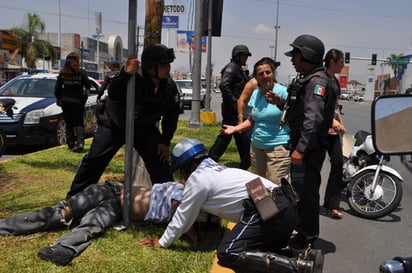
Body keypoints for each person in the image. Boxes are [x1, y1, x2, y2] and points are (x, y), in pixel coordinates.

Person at [140, 138, 324, 273]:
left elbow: (183, 215)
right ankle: (302, 255)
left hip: (273, 208)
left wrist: (162, 242)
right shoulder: (219, 171)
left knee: (228, 252)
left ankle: (300, 268)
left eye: (181, 169)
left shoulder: (199, 179)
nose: (182, 174)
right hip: (284, 203)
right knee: (255, 248)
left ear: (188, 165)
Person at [66, 44, 181, 199]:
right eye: (163, 65)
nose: (167, 68)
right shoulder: (131, 77)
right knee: (94, 160)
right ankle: (73, 200)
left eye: (168, 64)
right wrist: (126, 73)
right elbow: (114, 93)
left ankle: (169, 202)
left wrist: (165, 140)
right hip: (115, 124)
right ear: (150, 67)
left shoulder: (168, 86)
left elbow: (172, 114)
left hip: (144, 128)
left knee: (160, 161)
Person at [0, 180, 194, 266]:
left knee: (92, 225)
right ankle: (5, 226)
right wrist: (192, 233)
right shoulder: (182, 193)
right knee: (63, 214)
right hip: (109, 191)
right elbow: (179, 209)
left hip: (116, 209)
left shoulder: (186, 200)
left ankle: (63, 249)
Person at [282, 34, 337, 249]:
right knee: (302, 191)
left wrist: (300, 150)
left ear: (306, 55)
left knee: (307, 193)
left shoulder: (317, 81)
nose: (292, 59)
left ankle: (307, 236)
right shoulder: (309, 78)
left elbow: (312, 119)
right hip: (305, 148)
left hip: (309, 150)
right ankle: (303, 231)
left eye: (295, 54)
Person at [221, 57, 290, 185]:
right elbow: (253, 119)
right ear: (256, 78)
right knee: (259, 186)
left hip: (277, 148)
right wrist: (235, 128)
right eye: (260, 74)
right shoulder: (256, 93)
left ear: (273, 73)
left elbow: (294, 114)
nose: (265, 76)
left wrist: (280, 101)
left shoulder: (284, 92)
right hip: (257, 147)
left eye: (268, 72)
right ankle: (261, 206)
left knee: (276, 186)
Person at [208, 45, 252, 170]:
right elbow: (224, 85)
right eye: (244, 56)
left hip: (237, 108)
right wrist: (233, 101)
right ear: (237, 56)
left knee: (238, 135)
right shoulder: (231, 68)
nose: (246, 59)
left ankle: (244, 163)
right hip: (231, 109)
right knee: (230, 136)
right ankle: (210, 160)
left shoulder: (239, 69)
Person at [322, 49, 347, 219]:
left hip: (332, 132)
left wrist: (341, 124)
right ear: (332, 61)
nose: (343, 65)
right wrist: (331, 121)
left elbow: (335, 107)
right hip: (317, 131)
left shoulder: (335, 82)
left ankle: (332, 205)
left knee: (338, 163)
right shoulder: (320, 79)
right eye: (341, 62)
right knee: (312, 170)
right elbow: (316, 107)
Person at [54, 52, 92, 152]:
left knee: (69, 123)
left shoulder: (63, 73)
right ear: (77, 61)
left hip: (66, 102)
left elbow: (56, 89)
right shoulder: (81, 73)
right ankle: (80, 143)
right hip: (78, 101)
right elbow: (88, 86)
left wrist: (59, 98)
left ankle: (70, 144)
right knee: (79, 123)